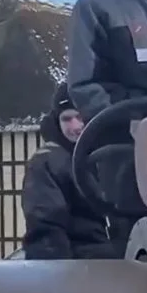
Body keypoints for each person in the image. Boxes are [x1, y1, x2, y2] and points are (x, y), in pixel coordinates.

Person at [21, 84, 119, 260]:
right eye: (66, 119)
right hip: (82, 264)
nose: (75, 126)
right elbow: (45, 229)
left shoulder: (117, 156)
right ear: (56, 122)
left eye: (80, 117)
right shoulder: (47, 162)